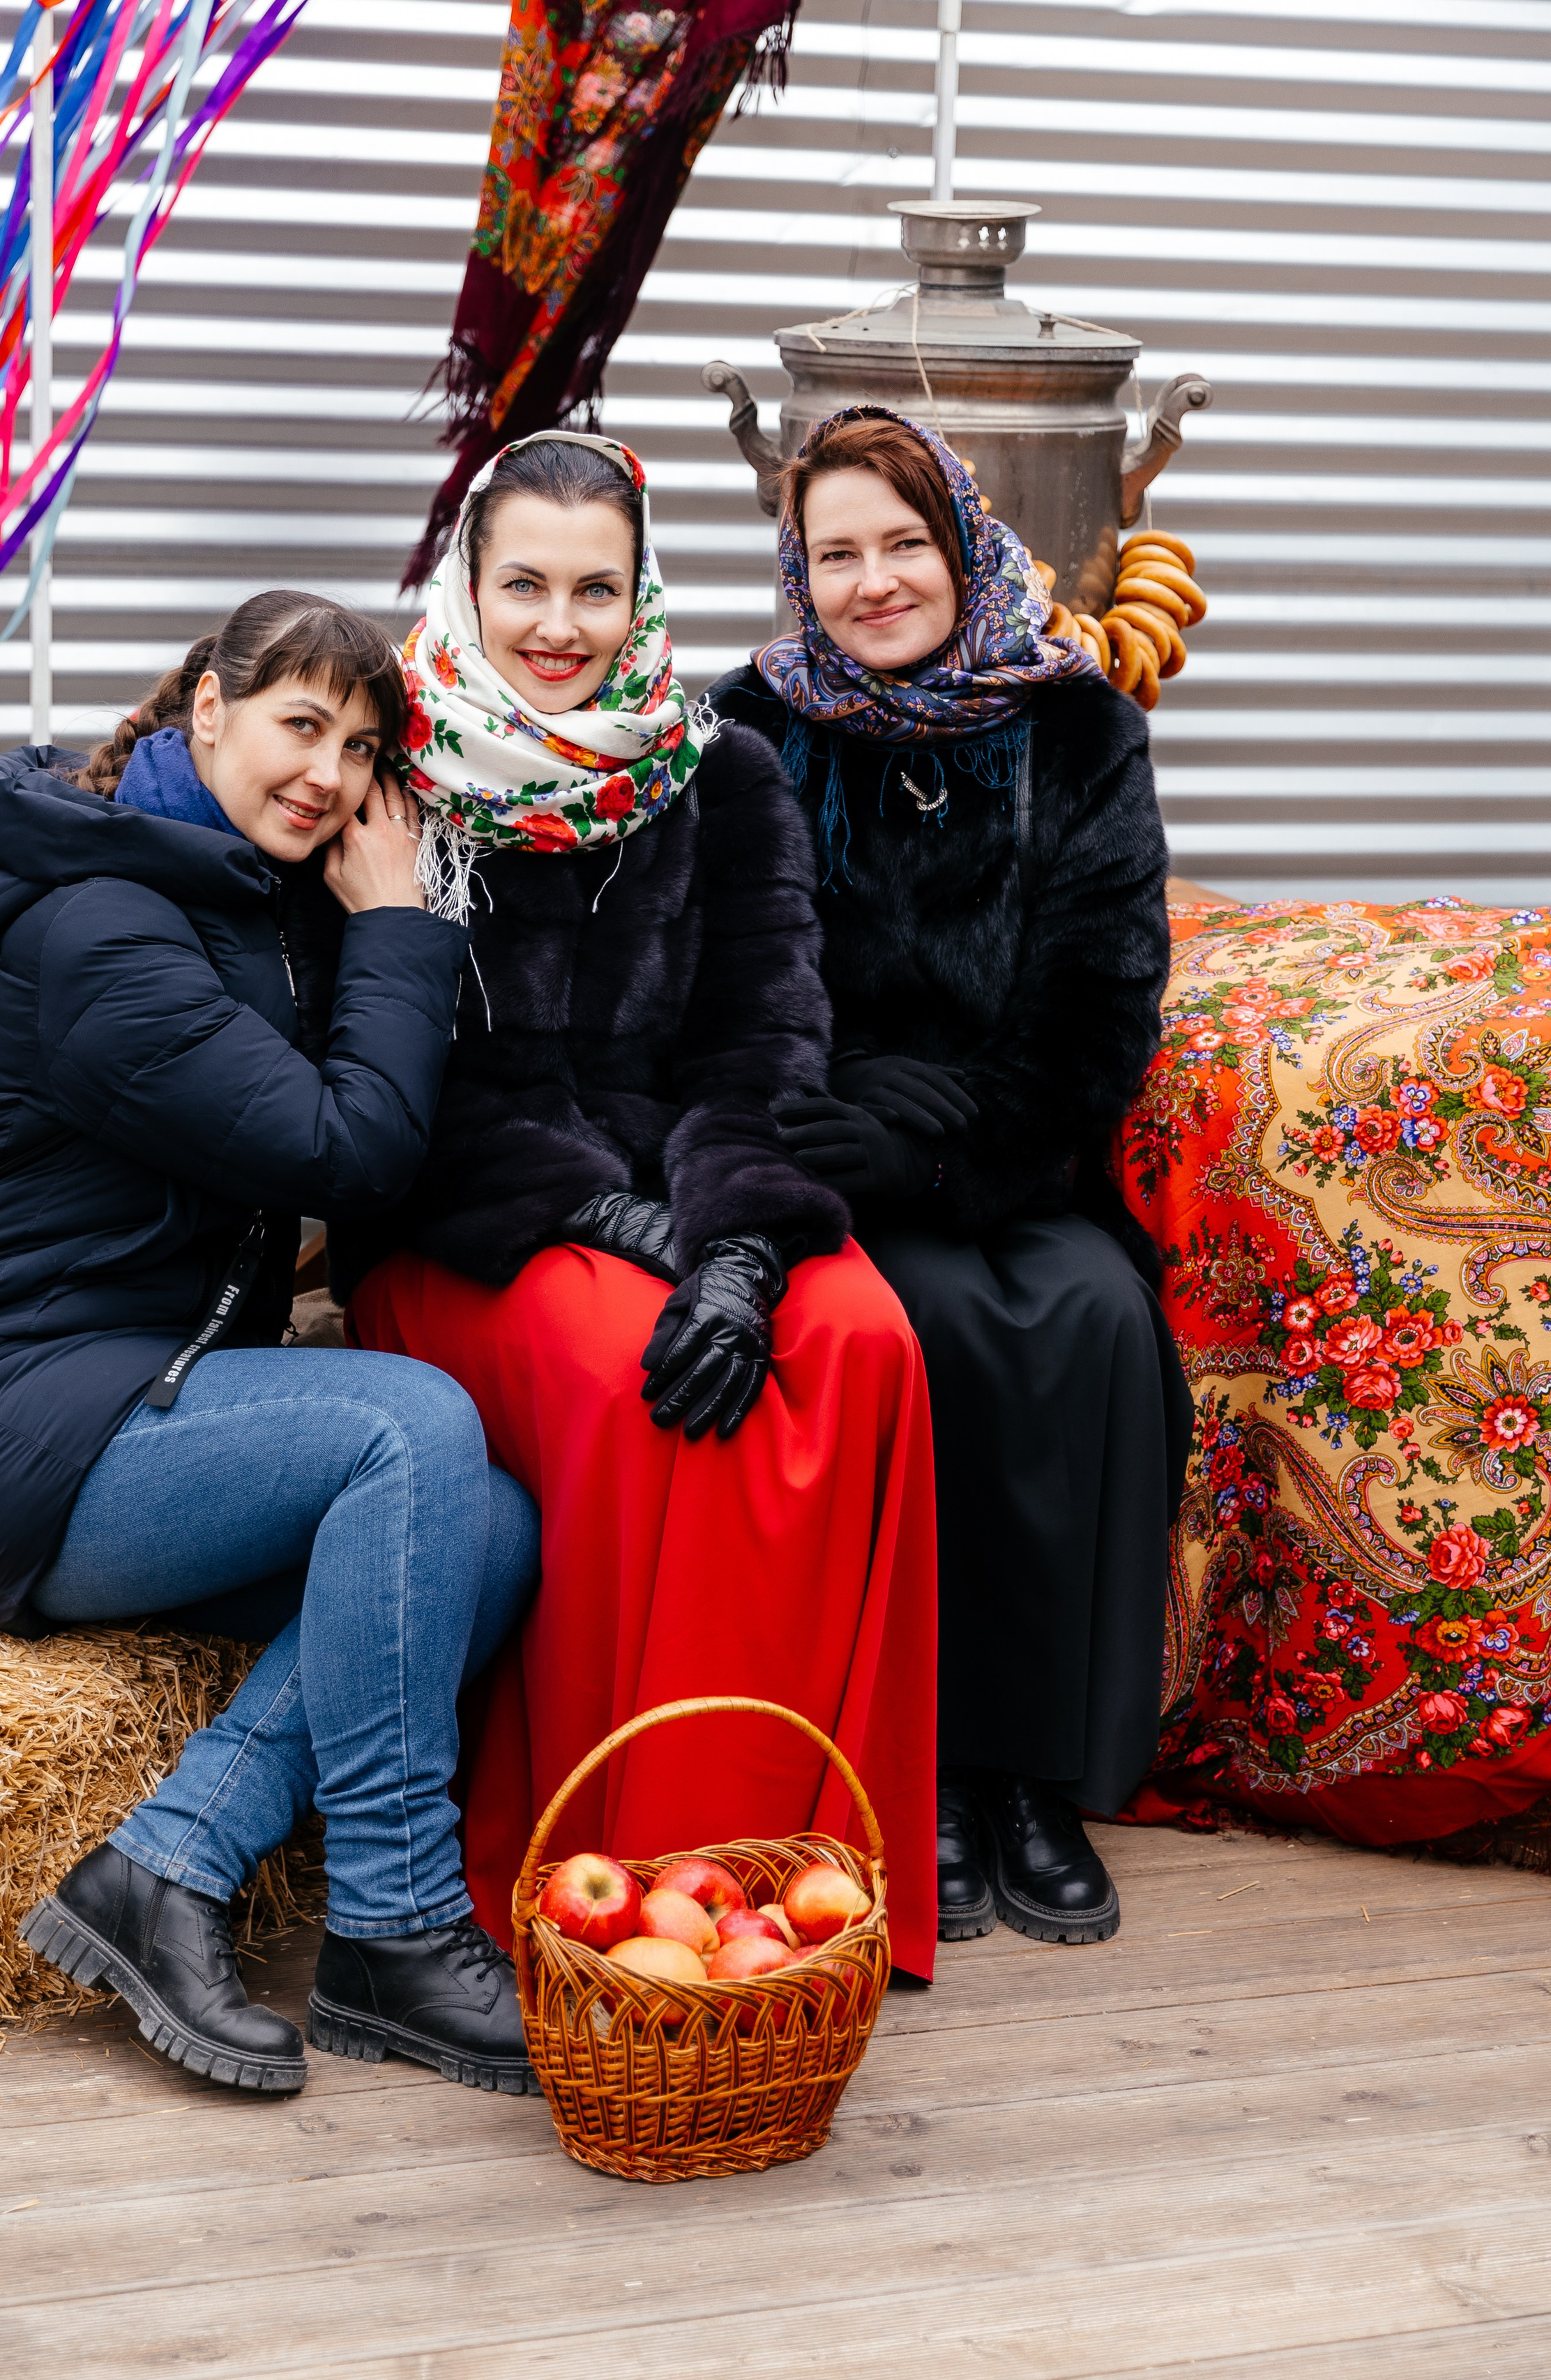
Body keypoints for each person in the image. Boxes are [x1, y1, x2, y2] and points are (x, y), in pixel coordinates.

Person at [0, 592, 543, 2095]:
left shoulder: (226, 891)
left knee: (486, 1527)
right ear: (205, 713)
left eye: (362, 749)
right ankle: (396, 1928)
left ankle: (165, 1866)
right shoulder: (105, 925)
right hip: (1, 1418)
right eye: (300, 725)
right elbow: (344, 1146)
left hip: (130, 1390)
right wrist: (402, 933)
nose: (329, 776)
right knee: (410, 1428)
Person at [324, 431, 940, 1976]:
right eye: (523, 583)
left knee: (858, 1341)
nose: (558, 623)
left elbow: (765, 1034)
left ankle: (808, 1878)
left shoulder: (716, 771)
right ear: (467, 585)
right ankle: (623, 1871)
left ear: (641, 595)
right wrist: (602, 1220)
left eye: (595, 588)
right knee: (623, 1373)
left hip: (697, 1185)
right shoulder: (399, 778)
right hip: (483, 1216)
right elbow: (403, 1074)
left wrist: (734, 1244)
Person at [709, 406, 1192, 1948]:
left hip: (1013, 1156)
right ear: (796, 573)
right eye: (833, 553)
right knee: (925, 1329)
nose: (872, 582)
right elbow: (727, 978)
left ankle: (1032, 1775)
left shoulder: (1077, 727)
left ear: (964, 545)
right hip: (830, 1160)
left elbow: (1096, 1006)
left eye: (900, 543)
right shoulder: (750, 728)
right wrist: (844, 1113)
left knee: (1094, 1324)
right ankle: (919, 1766)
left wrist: (952, 1136)